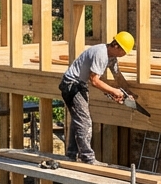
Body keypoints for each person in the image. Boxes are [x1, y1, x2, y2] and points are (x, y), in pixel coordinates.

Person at [58, 32, 135, 164]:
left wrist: (127, 92)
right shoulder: (101, 54)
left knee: (78, 120)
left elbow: (117, 76)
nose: (124, 54)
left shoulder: (110, 57)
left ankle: (72, 154)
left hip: (79, 85)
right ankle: (87, 157)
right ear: (117, 46)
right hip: (72, 85)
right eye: (124, 51)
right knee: (85, 122)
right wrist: (113, 91)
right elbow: (94, 81)